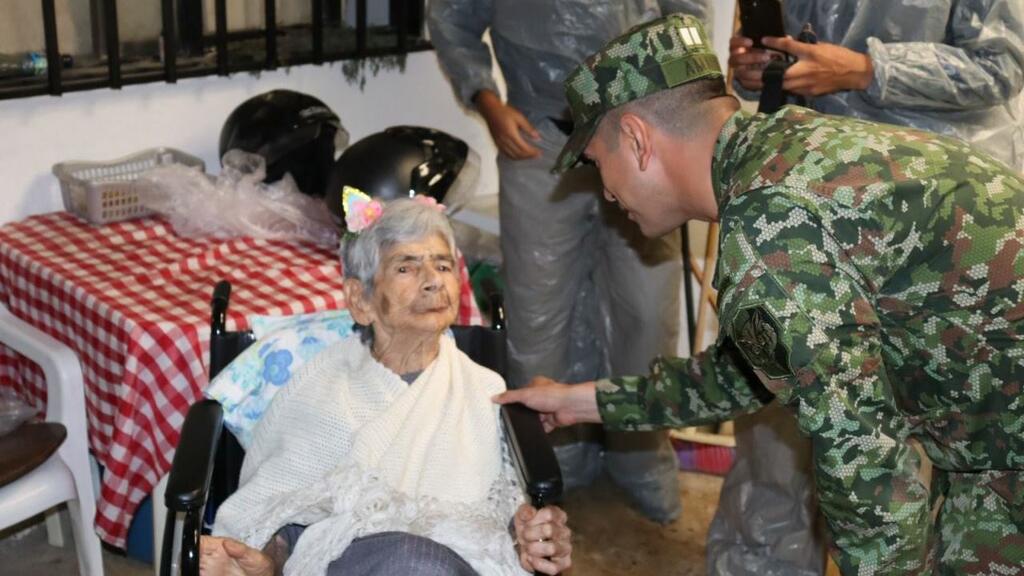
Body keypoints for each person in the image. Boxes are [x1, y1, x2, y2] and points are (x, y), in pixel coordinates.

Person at [496, 13, 1024, 575]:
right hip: (990, 440)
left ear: (636, 139)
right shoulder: (785, 149)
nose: (604, 190)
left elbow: (864, 463)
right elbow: (745, 372)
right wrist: (582, 402)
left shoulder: (771, 228)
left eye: (599, 163)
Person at [720, 4, 1024, 572]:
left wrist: (865, 70)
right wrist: (760, 63)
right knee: (789, 420)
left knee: (911, 455)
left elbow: (1001, 63)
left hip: (932, 228)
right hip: (807, 191)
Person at [427, 0, 713, 526]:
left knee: (647, 312)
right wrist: (488, 103)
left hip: (642, 136)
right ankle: (550, 464)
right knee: (539, 316)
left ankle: (640, 460)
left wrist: (679, 110)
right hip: (539, 139)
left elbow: (688, 17)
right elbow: (452, 17)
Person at [199, 197, 572, 576]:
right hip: (346, 562)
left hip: (462, 566)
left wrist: (525, 535)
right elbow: (281, 512)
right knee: (416, 562)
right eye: (406, 267)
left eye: (442, 265)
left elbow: (499, 513)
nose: (432, 281)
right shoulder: (320, 389)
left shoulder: (483, 389)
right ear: (360, 299)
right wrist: (267, 562)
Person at [729, 0, 1024, 171]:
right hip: (814, 168)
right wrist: (763, 69)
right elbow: (797, 35)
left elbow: (1001, 65)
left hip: (941, 184)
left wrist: (867, 70)